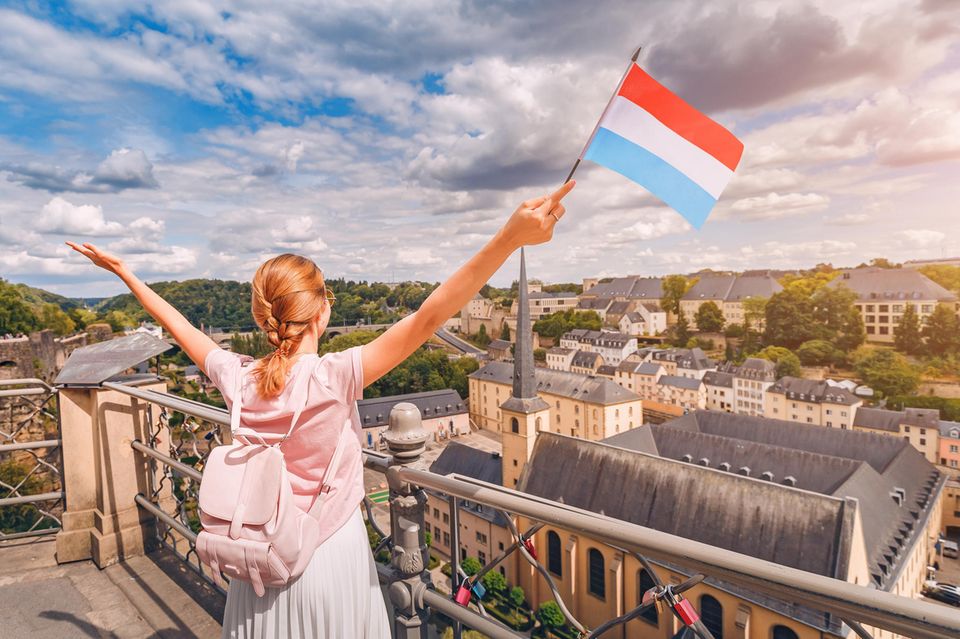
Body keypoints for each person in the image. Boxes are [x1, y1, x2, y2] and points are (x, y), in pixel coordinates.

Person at [66, 179, 574, 638]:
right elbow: (430, 315)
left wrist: (126, 274)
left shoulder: (238, 379)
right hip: (328, 557)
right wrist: (509, 237)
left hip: (257, 563)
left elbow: (183, 330)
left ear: (264, 316)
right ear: (324, 309)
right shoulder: (334, 377)